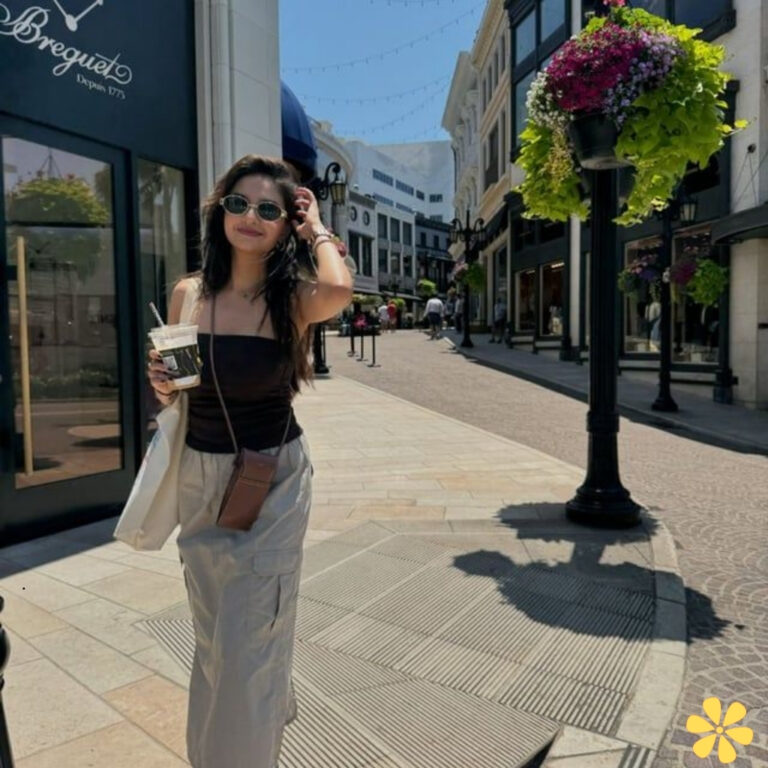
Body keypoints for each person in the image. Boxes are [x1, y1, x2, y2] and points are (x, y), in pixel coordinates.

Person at [146, 155, 353, 768]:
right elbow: (179, 392)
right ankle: (260, 702)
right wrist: (163, 384)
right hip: (202, 479)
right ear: (220, 211)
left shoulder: (293, 298)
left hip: (272, 480)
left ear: (284, 223)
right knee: (220, 639)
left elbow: (340, 289)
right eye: (239, 203)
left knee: (243, 640)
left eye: (269, 209)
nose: (251, 217)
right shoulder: (188, 293)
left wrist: (315, 224)